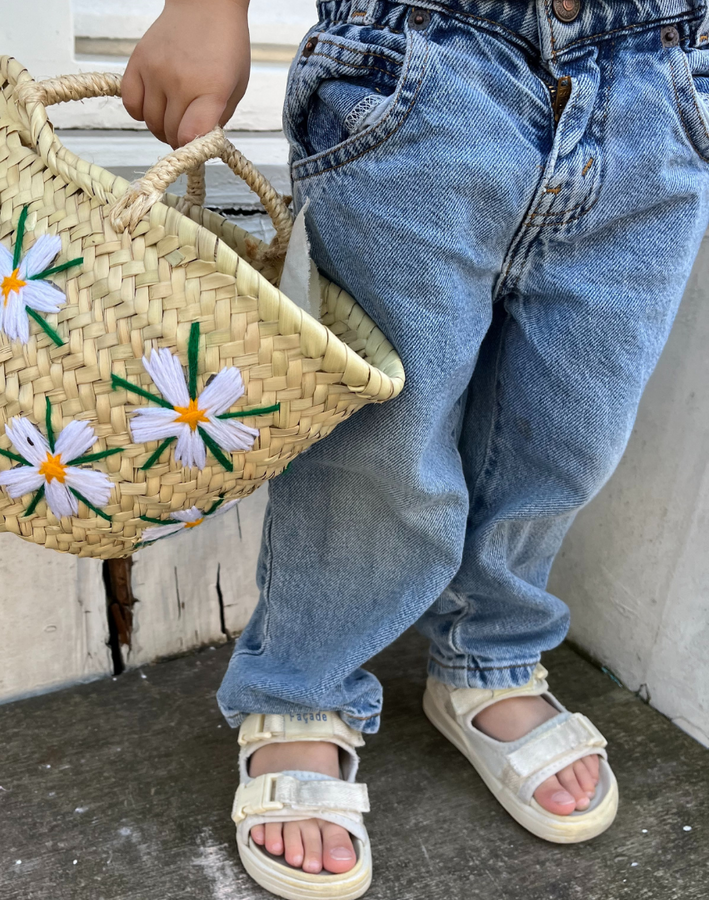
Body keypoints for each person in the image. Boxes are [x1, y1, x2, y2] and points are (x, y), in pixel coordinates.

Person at [123, 1, 709, 897]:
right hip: (428, 55)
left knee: (573, 428)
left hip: (663, 80)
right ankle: (302, 686)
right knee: (381, 430)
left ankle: (492, 652)